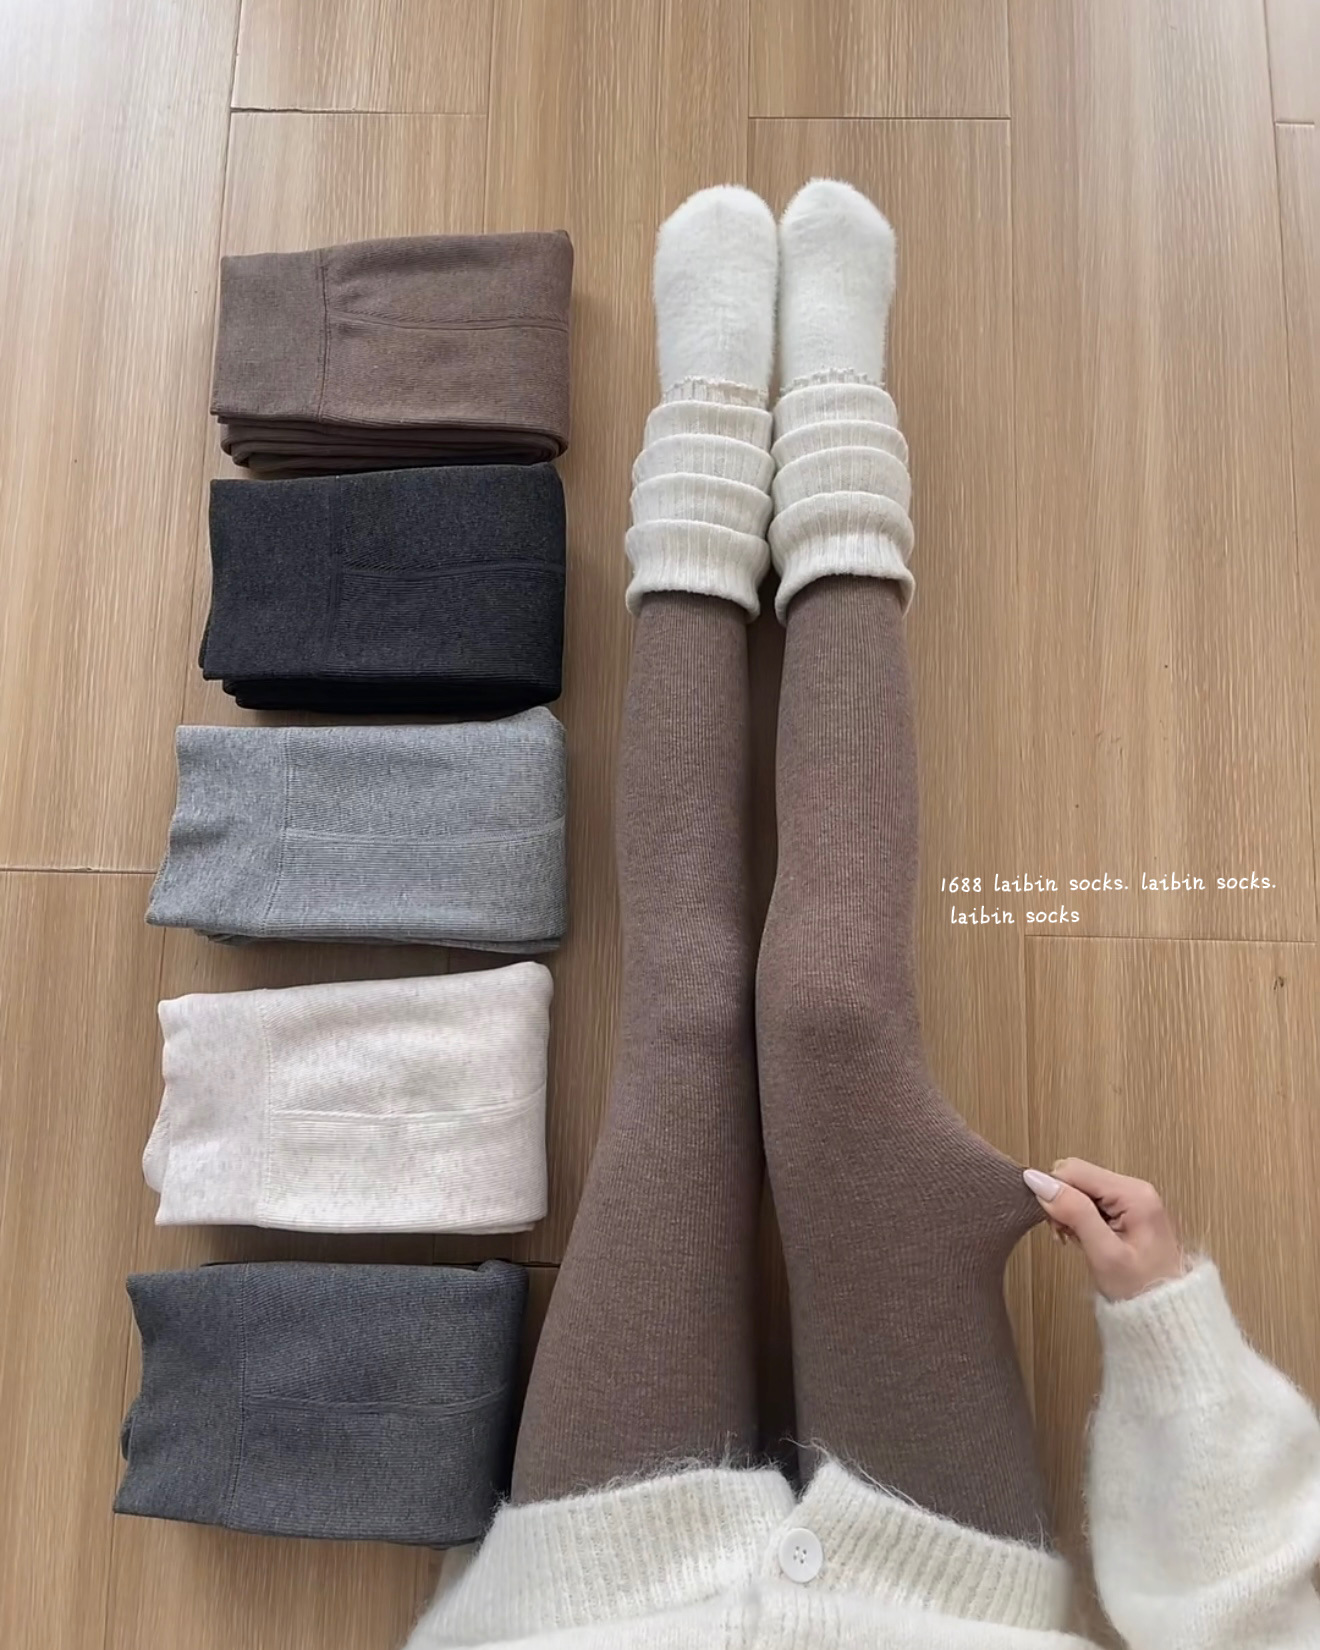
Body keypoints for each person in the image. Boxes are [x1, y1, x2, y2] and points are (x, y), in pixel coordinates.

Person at [404, 182, 1320, 1649]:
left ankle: (708, 419)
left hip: (596, 1603)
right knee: (830, 1003)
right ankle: (833, 411)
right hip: (932, 1592)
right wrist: (1174, 1350)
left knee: (688, 1021)